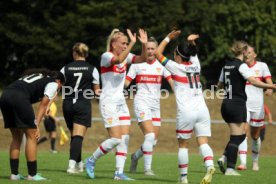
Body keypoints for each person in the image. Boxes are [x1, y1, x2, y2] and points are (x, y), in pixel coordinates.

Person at [85, 28, 148, 180]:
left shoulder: (126, 56)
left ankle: (118, 173)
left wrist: (144, 44)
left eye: (127, 44)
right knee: (115, 139)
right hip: (108, 103)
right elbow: (119, 60)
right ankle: (91, 160)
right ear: (113, 44)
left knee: (124, 138)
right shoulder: (106, 56)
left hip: (121, 102)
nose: (126, 46)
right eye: (123, 43)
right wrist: (133, 42)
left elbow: (143, 59)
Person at [155, 31, 215, 184]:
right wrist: (190, 42)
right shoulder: (196, 65)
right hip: (202, 109)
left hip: (187, 111)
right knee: (203, 142)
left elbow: (157, 53)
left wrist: (168, 37)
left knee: (183, 145)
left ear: (178, 55)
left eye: (175, 53)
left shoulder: (176, 67)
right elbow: (193, 52)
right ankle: (209, 165)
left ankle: (183, 179)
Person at [217, 41, 276, 176]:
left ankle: (226, 159)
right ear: (243, 52)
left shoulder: (226, 65)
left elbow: (219, 85)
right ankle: (232, 167)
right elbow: (254, 81)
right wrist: (271, 86)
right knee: (238, 136)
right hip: (238, 105)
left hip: (226, 104)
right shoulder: (242, 66)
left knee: (242, 135)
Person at [0, 69, 64, 181]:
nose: (59, 89)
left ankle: (14, 175)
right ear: (58, 81)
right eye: (61, 86)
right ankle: (32, 175)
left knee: (16, 137)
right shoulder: (53, 83)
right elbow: (44, 103)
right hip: (19, 98)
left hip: (5, 95)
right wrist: (37, 125)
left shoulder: (38, 76)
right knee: (32, 136)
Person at [125, 37, 174, 176]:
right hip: (141, 103)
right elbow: (126, 83)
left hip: (155, 106)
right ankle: (147, 169)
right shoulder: (136, 65)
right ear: (144, 50)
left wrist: (181, 93)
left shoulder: (161, 66)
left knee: (152, 141)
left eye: (153, 48)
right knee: (150, 135)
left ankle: (135, 157)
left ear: (156, 50)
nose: (151, 51)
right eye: (148, 49)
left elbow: (172, 82)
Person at [60, 42, 100, 174]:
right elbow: (96, 92)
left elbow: (56, 87)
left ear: (75, 53)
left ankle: (79, 163)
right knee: (78, 136)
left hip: (67, 104)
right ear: (86, 54)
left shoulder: (65, 68)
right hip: (82, 104)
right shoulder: (92, 69)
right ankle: (71, 166)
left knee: (75, 136)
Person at [235, 46, 273, 171]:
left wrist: (269, 88)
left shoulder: (262, 66)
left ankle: (255, 161)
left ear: (254, 54)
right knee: (243, 132)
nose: (246, 54)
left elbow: (269, 81)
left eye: (249, 52)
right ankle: (243, 163)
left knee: (255, 136)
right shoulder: (241, 67)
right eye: (245, 52)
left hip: (257, 105)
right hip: (243, 103)